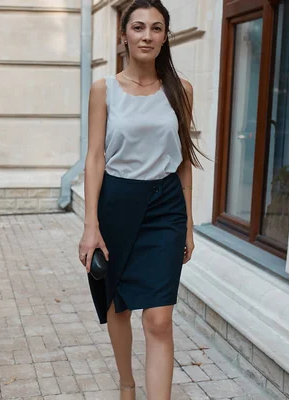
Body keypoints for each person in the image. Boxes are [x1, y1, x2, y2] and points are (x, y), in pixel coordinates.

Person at [78, 1, 205, 399]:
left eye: (155, 28)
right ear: (123, 35)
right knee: (119, 305)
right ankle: (127, 384)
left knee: (159, 320)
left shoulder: (181, 91)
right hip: (117, 202)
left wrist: (187, 221)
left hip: (165, 206)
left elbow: (184, 161)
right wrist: (90, 226)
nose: (146, 35)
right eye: (138, 27)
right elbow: (95, 158)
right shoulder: (105, 90)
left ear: (166, 35)